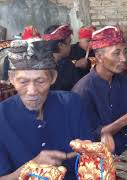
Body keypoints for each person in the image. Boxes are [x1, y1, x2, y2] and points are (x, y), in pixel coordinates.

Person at [0, 39, 93, 179]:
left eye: (40, 81)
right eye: (23, 81)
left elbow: (88, 153)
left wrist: (95, 152)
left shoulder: (71, 103)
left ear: (53, 77)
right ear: (11, 78)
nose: (32, 91)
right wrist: (32, 166)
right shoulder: (2, 116)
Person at [72, 26, 127, 155]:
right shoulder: (83, 90)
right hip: (103, 159)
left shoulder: (122, 81)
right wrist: (125, 120)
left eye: (124, 52)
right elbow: (88, 137)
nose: (123, 58)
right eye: (116, 53)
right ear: (99, 56)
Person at [42, 24, 80, 91]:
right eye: (69, 43)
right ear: (61, 45)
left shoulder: (67, 64)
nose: (70, 46)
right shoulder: (43, 71)